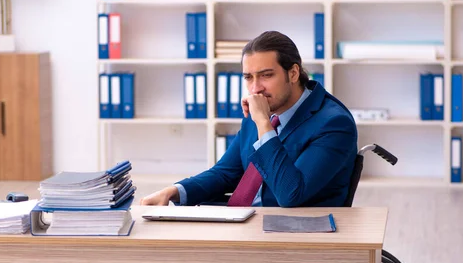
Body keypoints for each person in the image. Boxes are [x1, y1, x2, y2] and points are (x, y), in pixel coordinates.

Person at [140, 30, 358, 208]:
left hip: (293, 235)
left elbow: (291, 194)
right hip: (246, 222)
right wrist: (174, 191)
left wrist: (264, 124)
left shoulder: (333, 124)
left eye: (266, 75)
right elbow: (226, 173)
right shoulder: (262, 107)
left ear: (293, 73)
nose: (255, 88)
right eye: (248, 77)